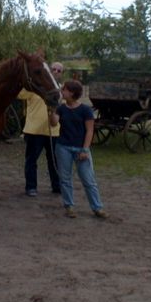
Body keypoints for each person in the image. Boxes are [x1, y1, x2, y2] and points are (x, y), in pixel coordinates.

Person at [49, 79, 107, 219]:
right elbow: (53, 123)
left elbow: (89, 131)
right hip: (63, 147)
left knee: (88, 180)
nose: (62, 91)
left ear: (72, 92)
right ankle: (69, 206)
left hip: (80, 148)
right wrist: (51, 109)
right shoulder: (61, 108)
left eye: (64, 89)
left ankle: (97, 207)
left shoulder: (85, 110)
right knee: (65, 179)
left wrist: (85, 150)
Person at [17, 62, 64, 197]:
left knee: (54, 160)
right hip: (34, 131)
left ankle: (57, 186)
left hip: (54, 132)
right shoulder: (34, 89)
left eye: (59, 70)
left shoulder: (62, 90)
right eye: (53, 69)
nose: (56, 71)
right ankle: (31, 187)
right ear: (48, 71)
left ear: (62, 74)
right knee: (31, 160)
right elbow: (19, 94)